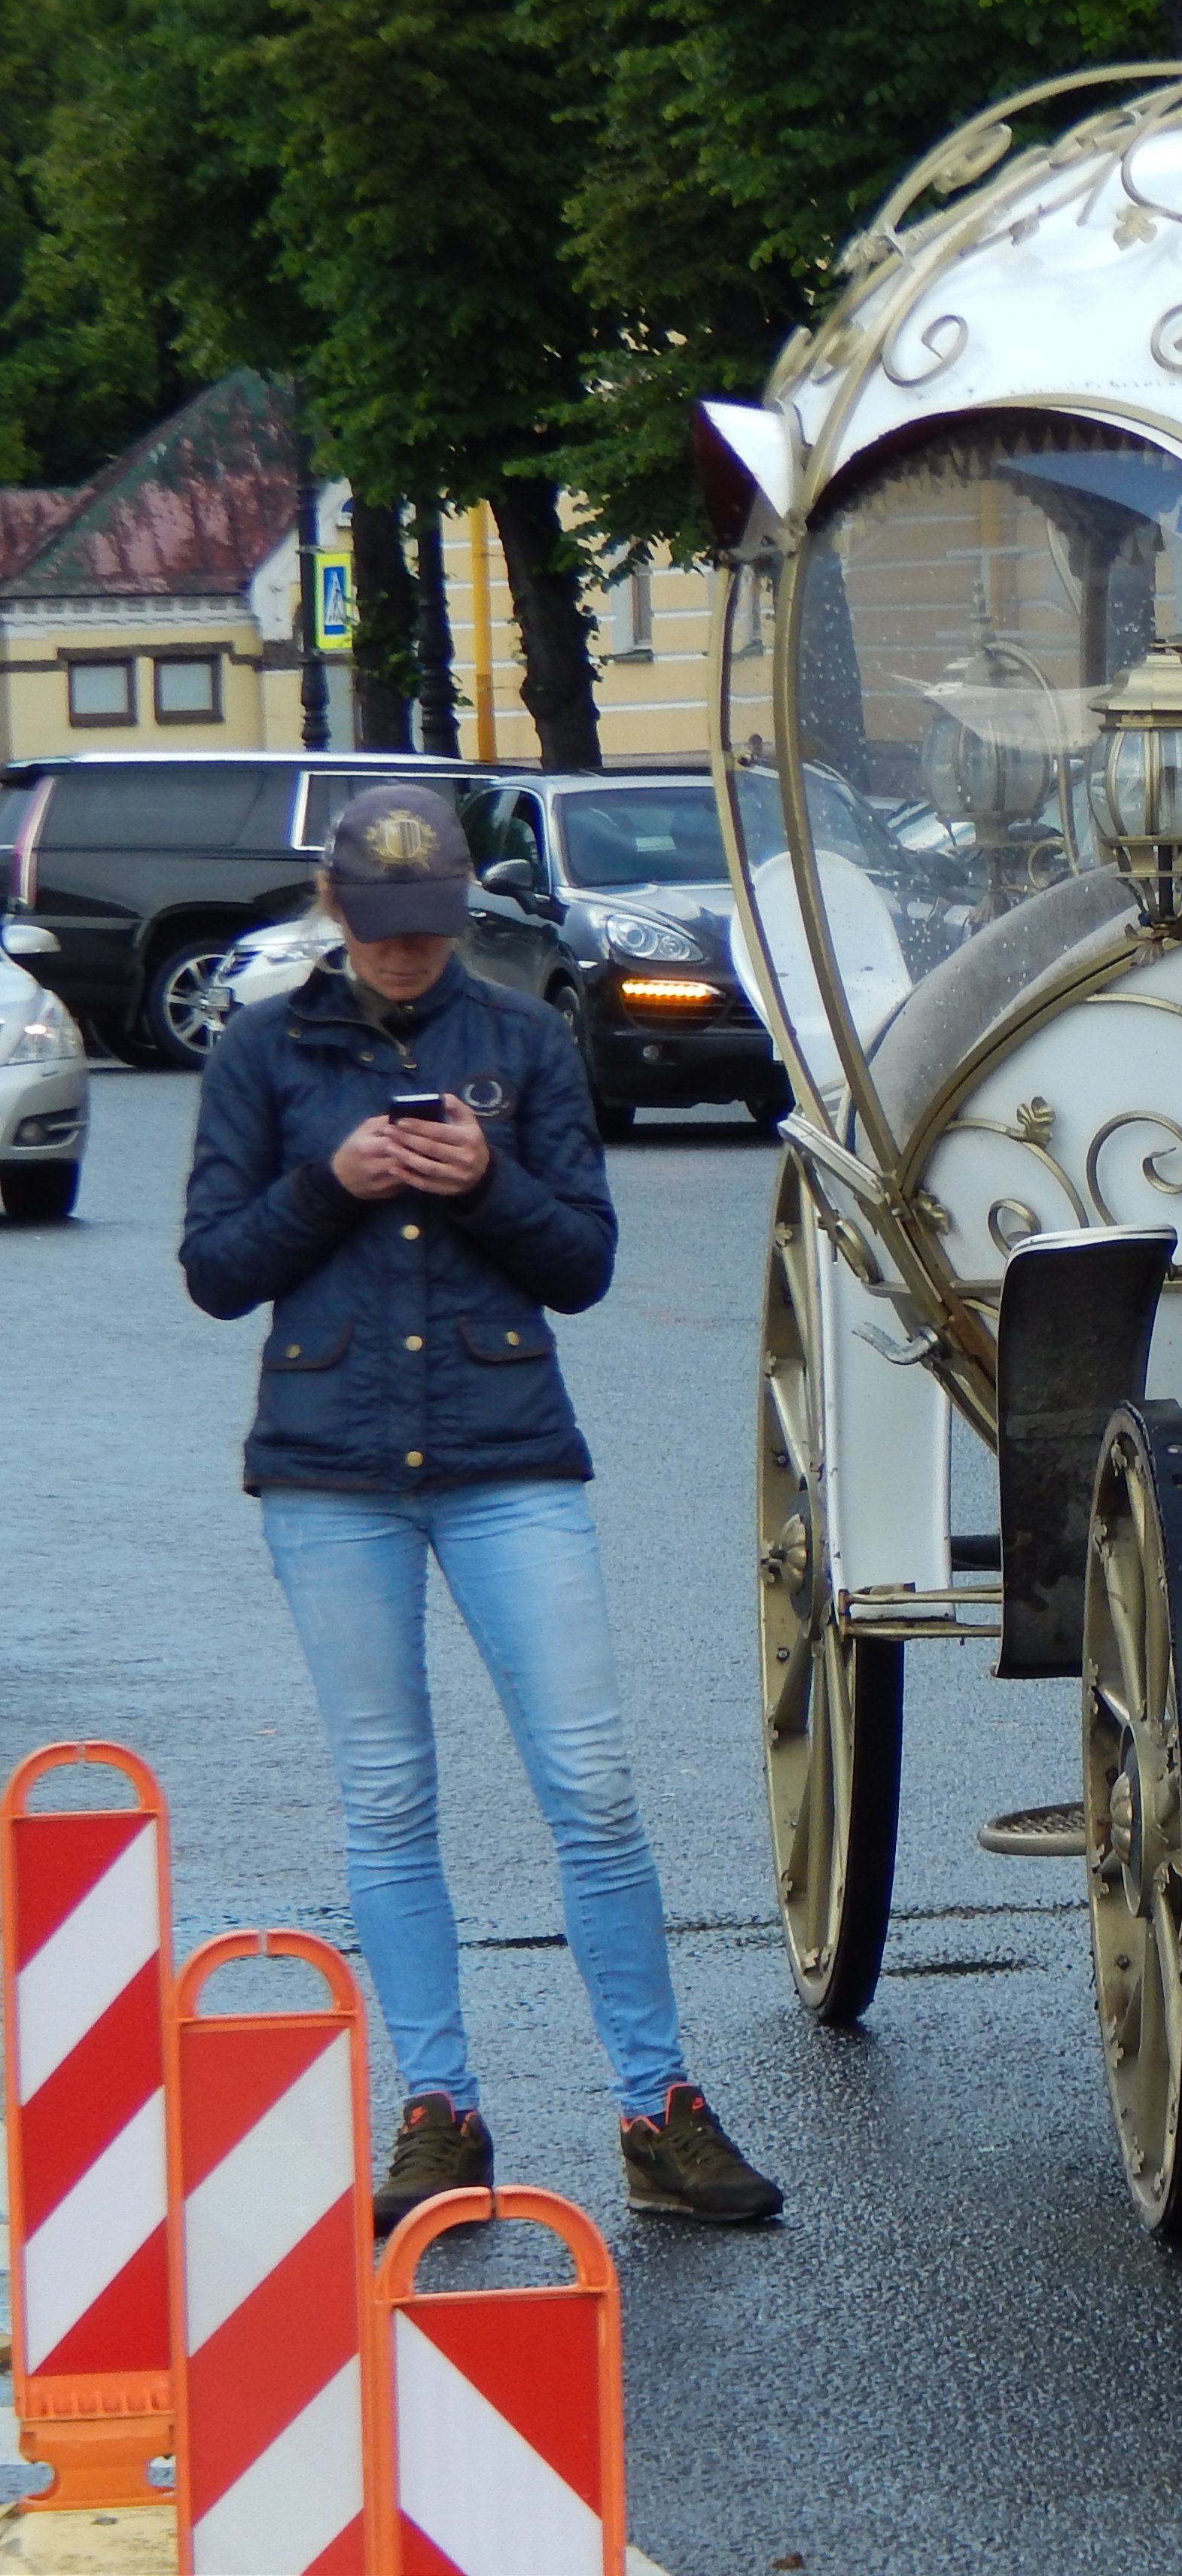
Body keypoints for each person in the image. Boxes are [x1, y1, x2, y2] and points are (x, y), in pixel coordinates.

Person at [180, 785, 783, 2229]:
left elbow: (580, 1259)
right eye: (381, 932)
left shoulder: (521, 1040)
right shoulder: (264, 1049)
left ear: (459, 914)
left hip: (510, 1457)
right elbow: (214, 1267)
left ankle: (657, 2107)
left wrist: (486, 1178)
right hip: (329, 1471)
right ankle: (439, 2110)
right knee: (389, 1799)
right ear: (337, 912)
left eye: (428, 929)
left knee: (593, 1788)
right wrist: (332, 1181)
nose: (403, 955)